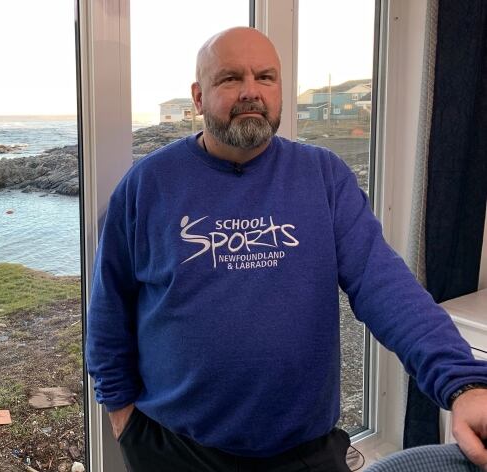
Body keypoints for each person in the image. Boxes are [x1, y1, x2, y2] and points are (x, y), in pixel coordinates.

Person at [85, 27, 487, 472]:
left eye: (266, 77)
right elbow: (109, 309)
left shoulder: (322, 176)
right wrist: (123, 417)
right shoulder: (148, 186)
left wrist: (462, 384)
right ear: (198, 98)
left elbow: (385, 286)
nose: (251, 92)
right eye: (230, 78)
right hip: (176, 450)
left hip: (305, 452)